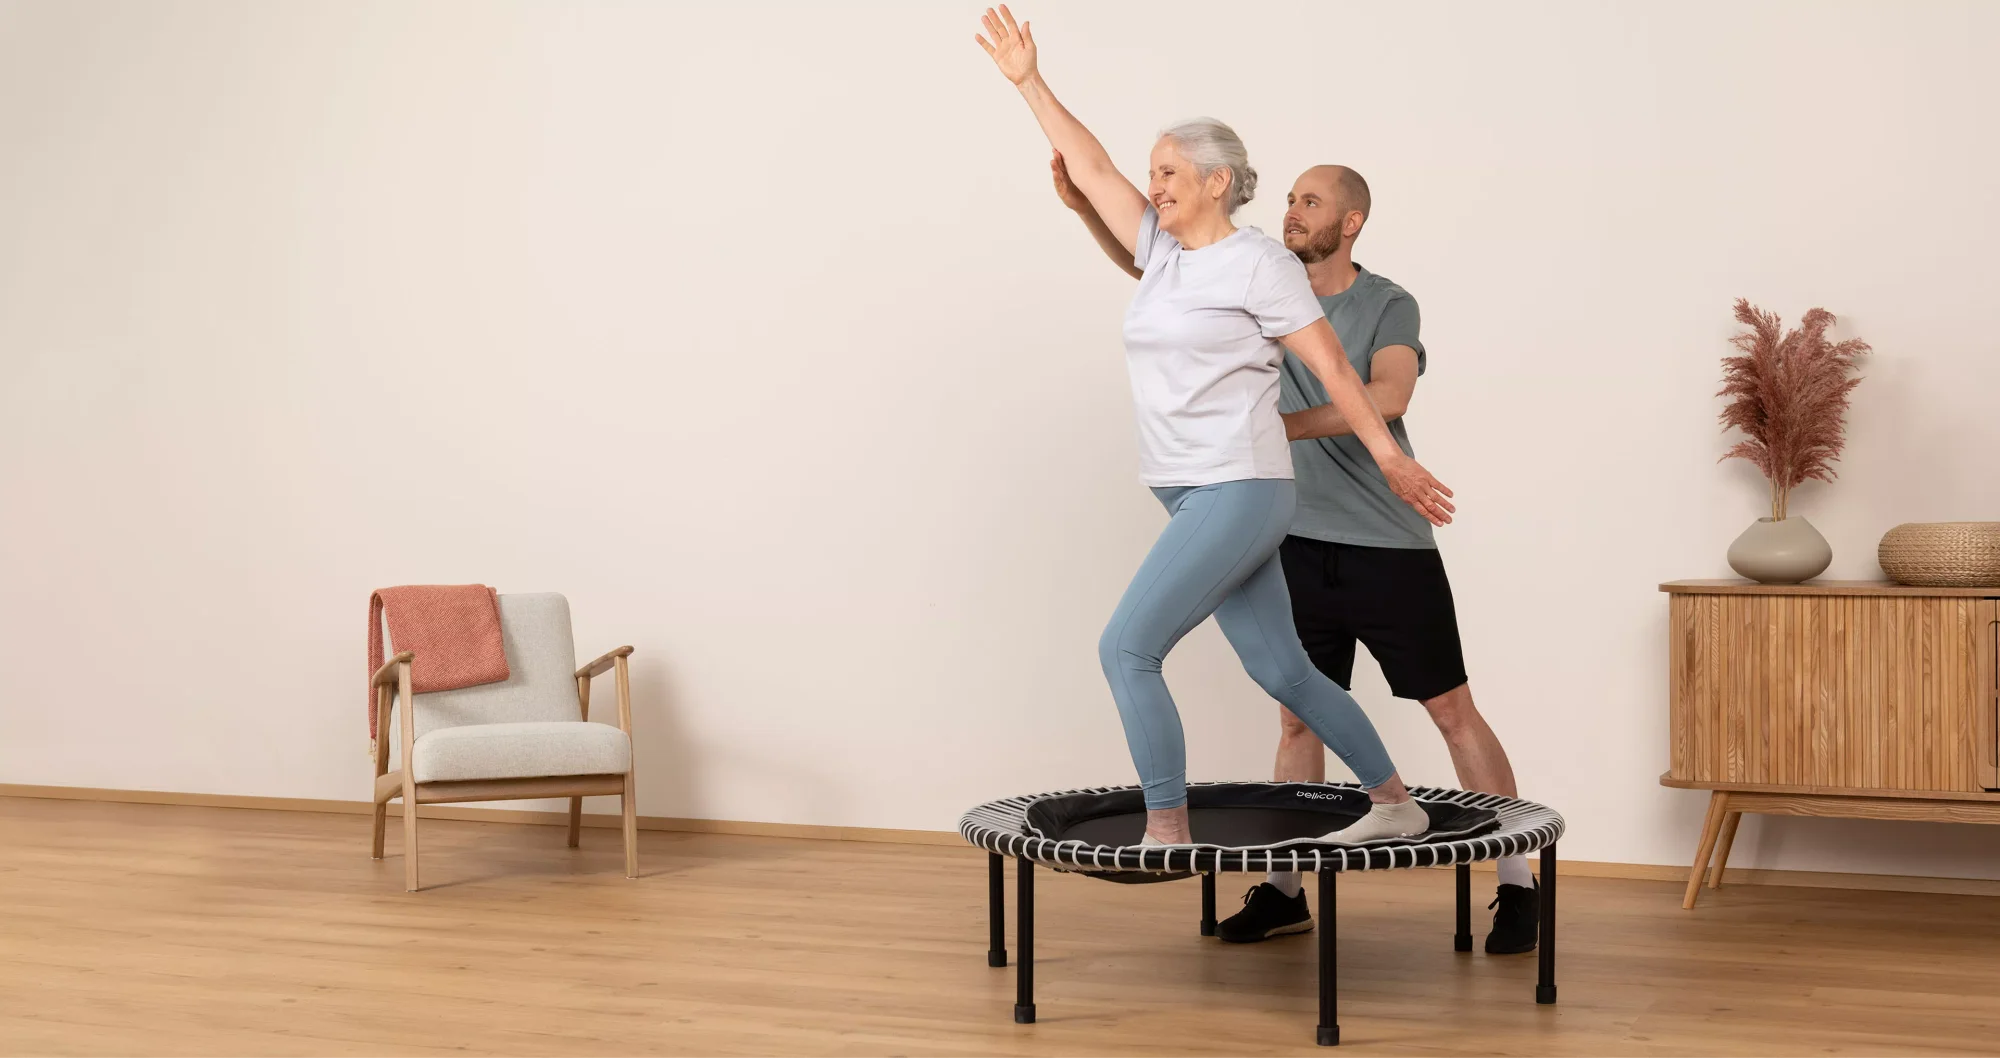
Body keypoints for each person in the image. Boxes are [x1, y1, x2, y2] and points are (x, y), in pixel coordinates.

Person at [975, 7, 1455, 848]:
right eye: (1152, 171)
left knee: (1126, 649)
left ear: (1216, 183)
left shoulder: (1260, 263)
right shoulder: (1163, 252)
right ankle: (1393, 800)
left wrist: (1390, 462)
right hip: (1192, 489)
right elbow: (1089, 166)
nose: (1153, 184)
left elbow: (1340, 372)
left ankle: (1168, 828)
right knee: (1281, 668)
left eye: (1168, 172)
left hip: (1238, 486)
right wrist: (1028, 83)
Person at [1053, 155, 1539, 951]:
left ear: (1350, 223)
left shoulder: (1385, 303)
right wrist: (1084, 209)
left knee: (1450, 709)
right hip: (1291, 530)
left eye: (1311, 202)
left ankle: (1517, 882)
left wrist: (1274, 429)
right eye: (1288, 199)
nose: (1292, 211)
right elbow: (1158, 272)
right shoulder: (1245, 274)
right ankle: (1286, 890)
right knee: (1290, 704)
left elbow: (1384, 393)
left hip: (1384, 536)